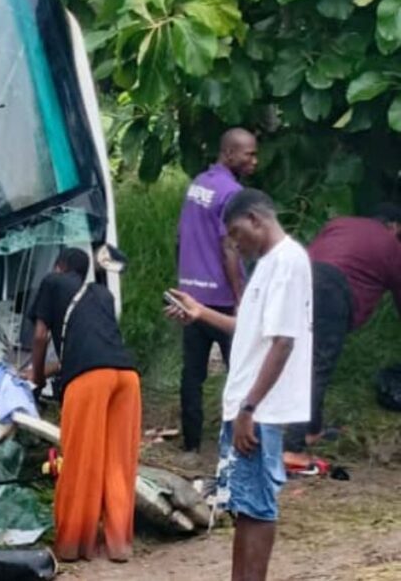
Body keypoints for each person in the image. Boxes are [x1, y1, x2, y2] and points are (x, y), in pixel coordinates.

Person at [167, 189, 312, 581]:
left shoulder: (288, 262)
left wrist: (251, 408)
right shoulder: (265, 265)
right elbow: (250, 331)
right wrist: (199, 313)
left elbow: (283, 341)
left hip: (257, 409)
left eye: (235, 233)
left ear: (255, 220)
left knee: (259, 506)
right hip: (243, 405)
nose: (234, 243)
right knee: (242, 506)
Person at [26, 247, 140, 563]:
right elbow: (88, 348)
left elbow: (39, 337)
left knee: (80, 460)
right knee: (117, 462)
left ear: (60, 266)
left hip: (89, 382)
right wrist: (47, 370)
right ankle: (119, 545)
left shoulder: (53, 282)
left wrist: (35, 377)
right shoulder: (102, 295)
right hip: (127, 378)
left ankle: (71, 545)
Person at [283, 202, 401, 462]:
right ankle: (292, 448)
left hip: (299, 280)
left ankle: (311, 430)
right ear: (393, 227)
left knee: (301, 359)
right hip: (332, 291)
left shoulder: (339, 223)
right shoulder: (391, 244)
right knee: (318, 368)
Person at [176, 128, 258, 452]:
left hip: (192, 294)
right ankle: (240, 443)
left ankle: (191, 445)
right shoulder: (232, 193)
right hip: (221, 300)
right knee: (240, 372)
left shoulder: (199, 184)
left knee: (192, 374)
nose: (254, 160)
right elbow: (230, 248)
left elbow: (180, 235)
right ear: (229, 154)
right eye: (248, 154)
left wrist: (182, 281)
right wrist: (241, 299)